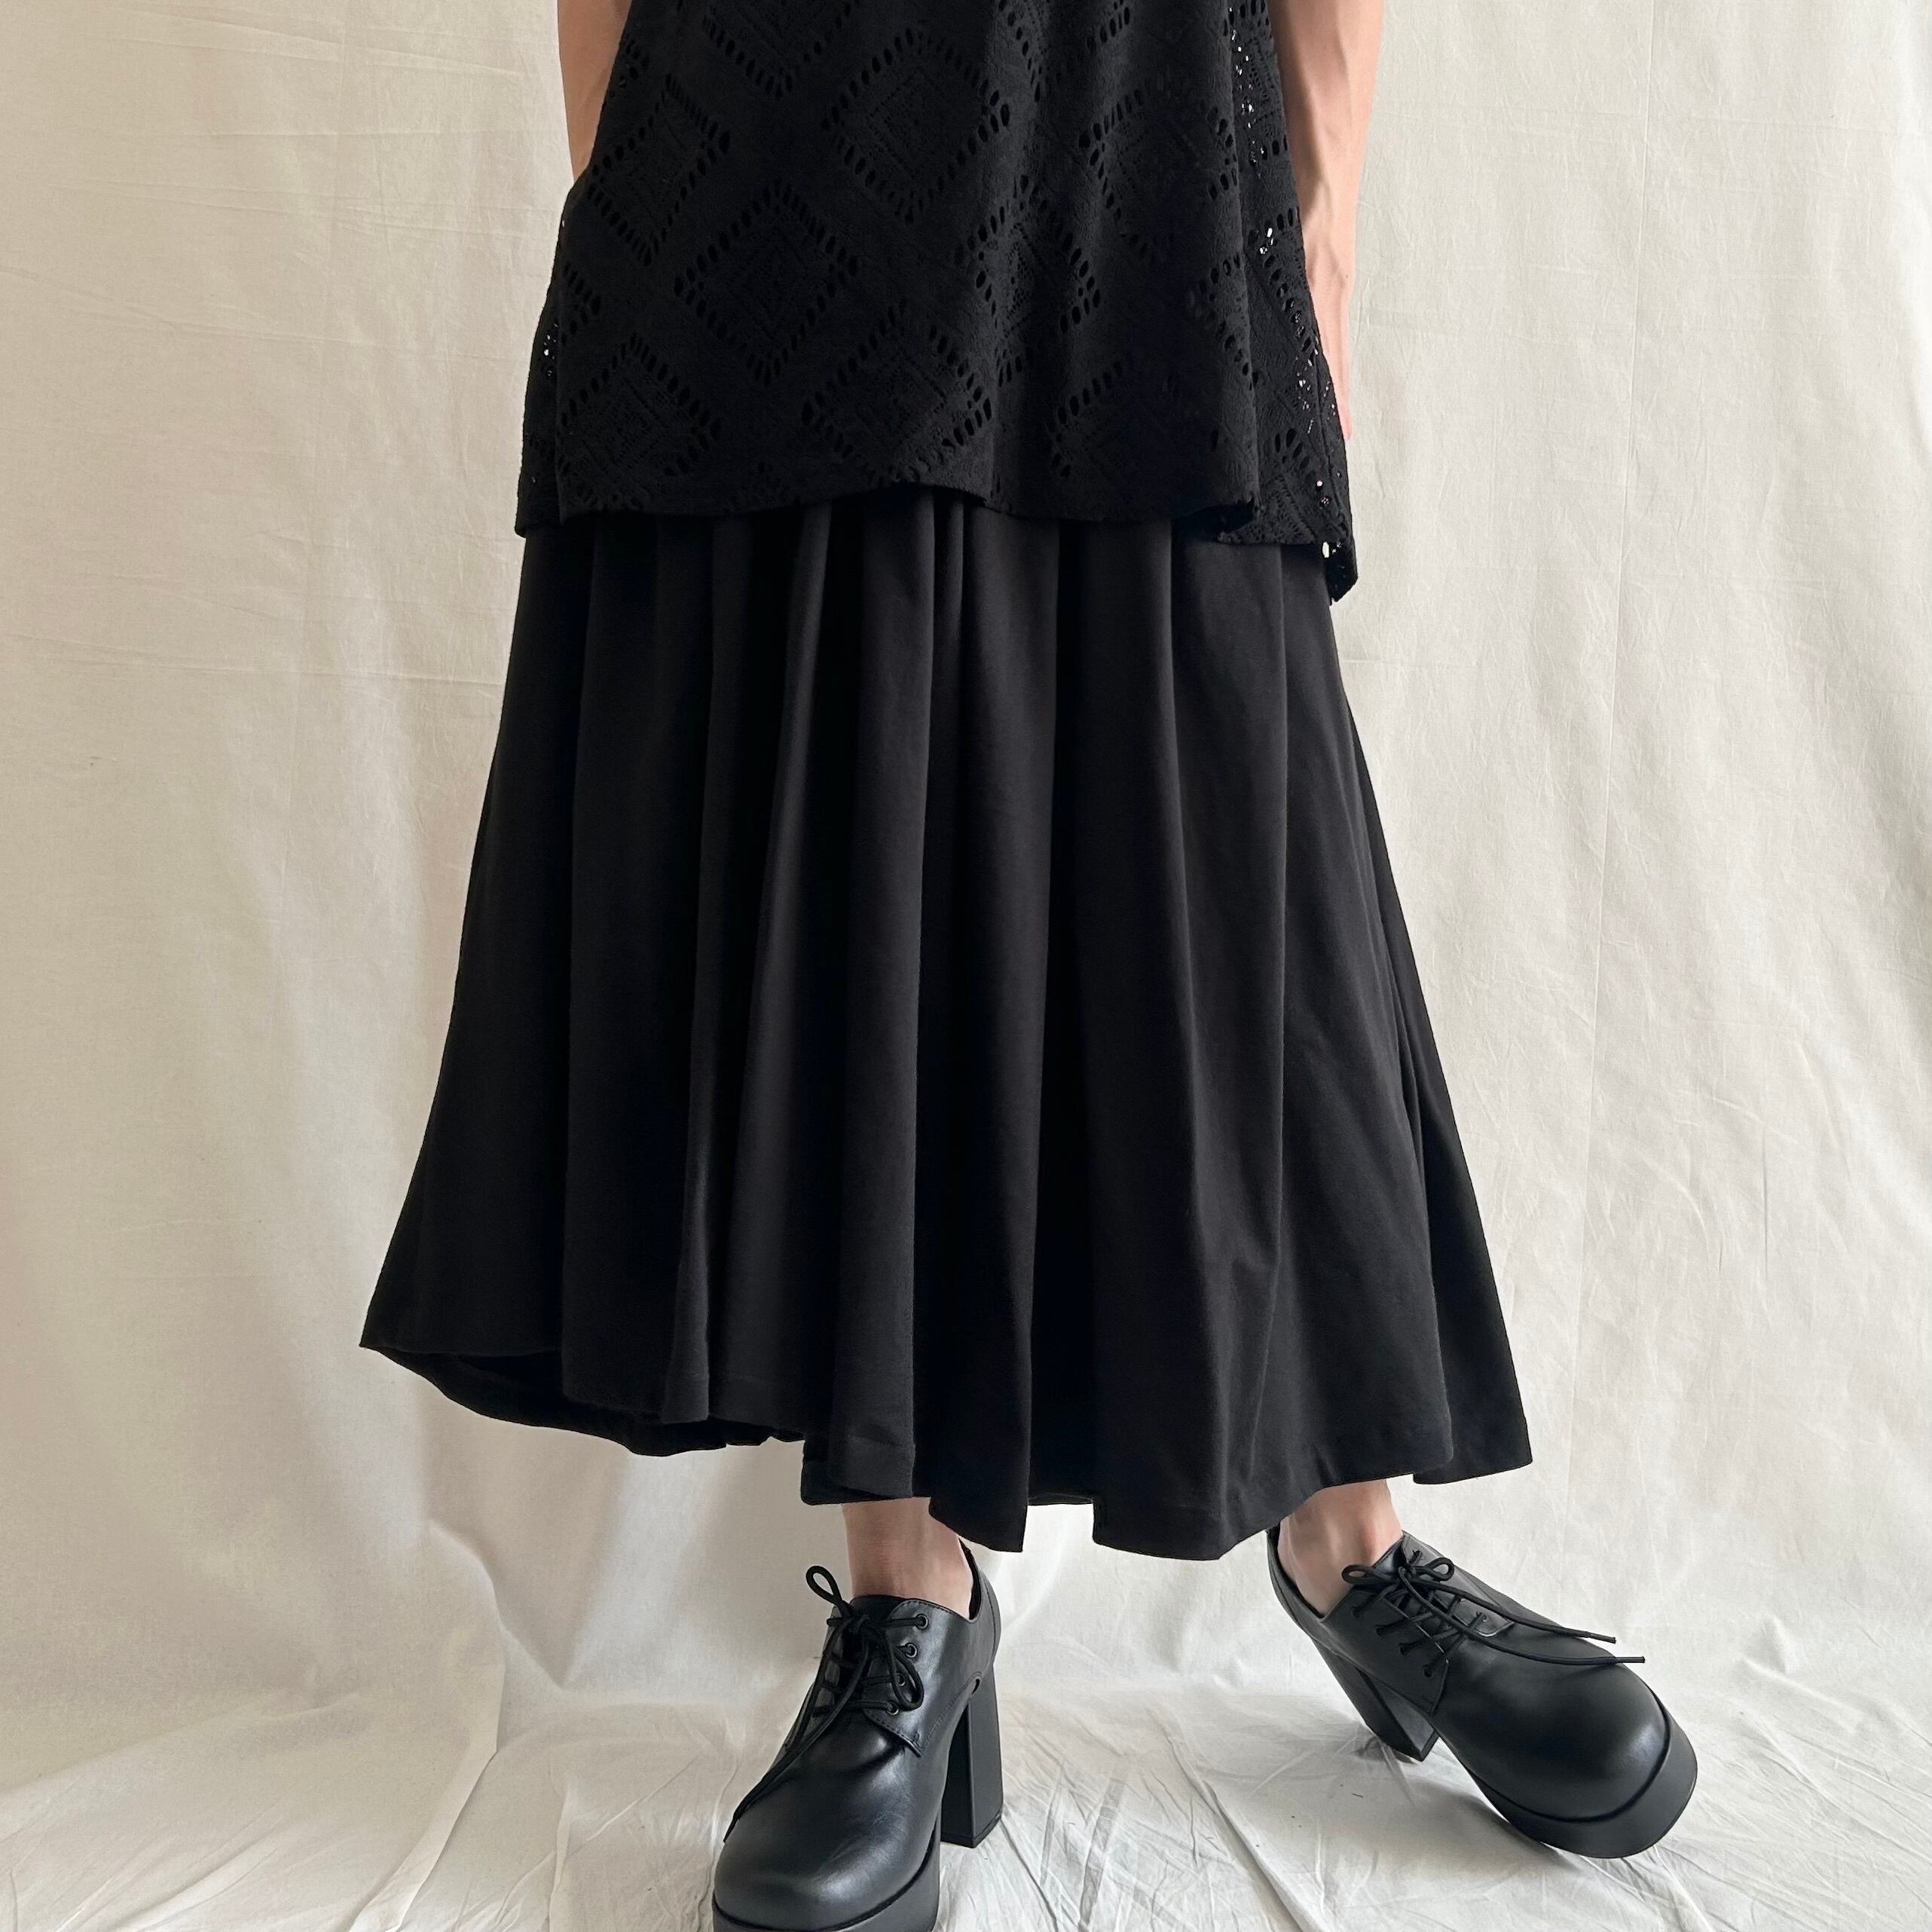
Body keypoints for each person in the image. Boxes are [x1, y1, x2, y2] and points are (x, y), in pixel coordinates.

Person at [360, 0, 1698, 1921]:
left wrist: (1321, 225)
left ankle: (1347, 1534)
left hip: (1143, 115)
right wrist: (631, 183)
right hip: (760, 119)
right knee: (862, 818)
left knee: (1240, 850)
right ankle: (908, 1592)